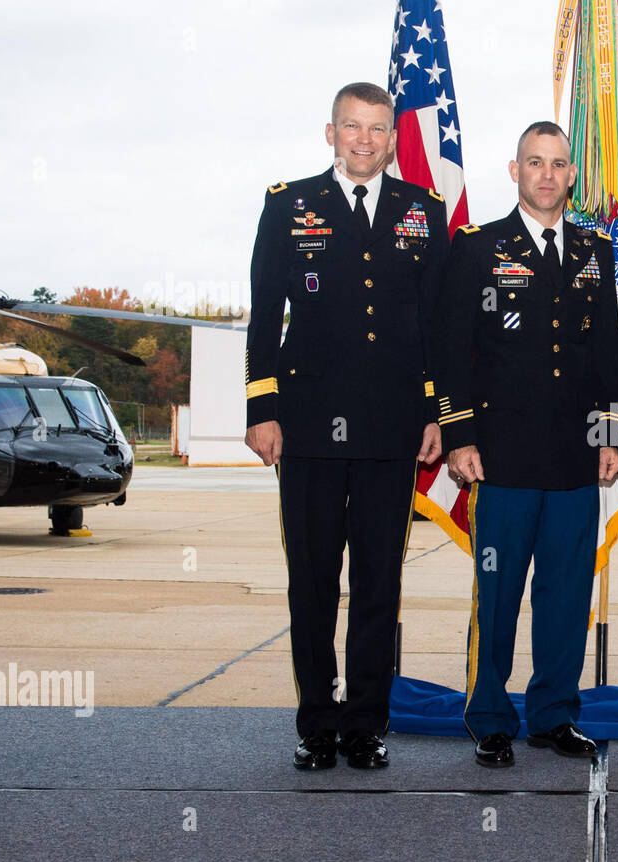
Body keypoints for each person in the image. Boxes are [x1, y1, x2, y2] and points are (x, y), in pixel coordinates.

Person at [245, 82, 449, 770]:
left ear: (392, 138)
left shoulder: (423, 210)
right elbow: (264, 313)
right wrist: (261, 408)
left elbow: (434, 330)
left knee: (377, 581)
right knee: (311, 577)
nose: (364, 139)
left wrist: (433, 412)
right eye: (352, 127)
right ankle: (316, 722)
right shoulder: (289, 205)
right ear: (330, 132)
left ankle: (365, 723)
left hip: (392, 428)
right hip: (304, 427)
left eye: (377, 129)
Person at [433, 121, 618, 768]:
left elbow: (606, 356)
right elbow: (451, 350)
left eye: (558, 163)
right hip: (502, 457)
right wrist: (458, 435)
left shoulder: (595, 251)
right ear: (515, 171)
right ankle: (489, 716)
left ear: (572, 175)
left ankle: (553, 715)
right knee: (500, 590)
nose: (546, 174)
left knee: (567, 595)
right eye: (533, 162)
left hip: (575, 457)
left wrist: (612, 433)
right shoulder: (479, 246)